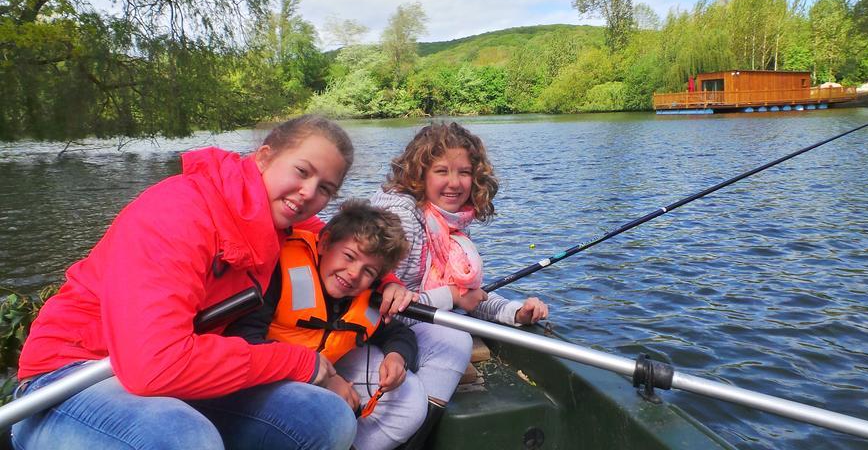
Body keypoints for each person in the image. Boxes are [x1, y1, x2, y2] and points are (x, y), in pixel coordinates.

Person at [14, 115, 361, 450]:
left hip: (175, 376)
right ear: (264, 157)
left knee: (326, 418)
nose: (307, 193)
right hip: (70, 379)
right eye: (302, 172)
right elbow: (155, 366)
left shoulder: (279, 216)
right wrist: (297, 361)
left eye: (325, 189)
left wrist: (388, 281)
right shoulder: (179, 212)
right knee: (182, 439)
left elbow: (344, 240)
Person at [370, 122, 549, 448]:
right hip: (374, 331)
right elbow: (381, 311)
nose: (455, 183)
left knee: (455, 334)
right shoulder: (403, 220)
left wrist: (515, 312)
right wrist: (450, 296)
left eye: (464, 172)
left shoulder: (445, 225)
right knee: (455, 338)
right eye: (442, 171)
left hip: (411, 326)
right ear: (418, 174)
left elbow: (469, 296)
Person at [225, 199, 427, 450]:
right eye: (349, 256)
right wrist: (323, 380)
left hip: (311, 380)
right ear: (325, 243)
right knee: (331, 414)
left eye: (368, 271)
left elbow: (397, 332)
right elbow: (242, 341)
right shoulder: (278, 273)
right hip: (255, 384)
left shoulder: (365, 297)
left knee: (407, 400)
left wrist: (397, 357)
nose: (354, 273)